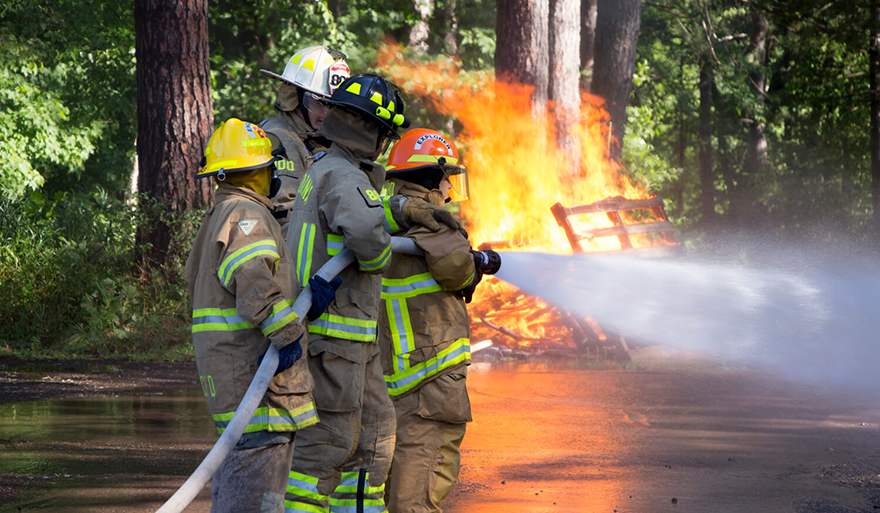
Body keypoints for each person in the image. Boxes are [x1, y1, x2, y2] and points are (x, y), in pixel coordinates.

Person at [283, 75, 461, 513]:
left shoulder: (326, 168)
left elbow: (364, 210)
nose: (384, 145)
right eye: (384, 134)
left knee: (374, 441)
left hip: (351, 342)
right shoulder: (345, 175)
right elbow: (368, 241)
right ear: (370, 130)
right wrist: (383, 246)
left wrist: (401, 208)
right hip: (334, 339)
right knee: (328, 447)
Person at [185, 118, 340, 513]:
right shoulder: (245, 214)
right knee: (256, 501)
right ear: (254, 172)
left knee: (235, 491)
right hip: (258, 390)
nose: (275, 175)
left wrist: (305, 306)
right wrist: (288, 335)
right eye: (269, 167)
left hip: (238, 382)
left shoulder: (220, 215)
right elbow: (254, 282)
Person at [379, 129, 499, 512]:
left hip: (393, 374)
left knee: (392, 476)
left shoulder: (382, 216)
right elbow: (457, 269)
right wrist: (475, 262)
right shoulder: (431, 220)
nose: (449, 190)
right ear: (433, 176)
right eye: (448, 179)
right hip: (431, 376)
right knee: (423, 479)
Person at [259, 46, 351, 235]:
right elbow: (285, 217)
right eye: (320, 102)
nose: (327, 113)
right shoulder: (282, 139)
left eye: (334, 106)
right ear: (296, 97)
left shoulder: (314, 137)